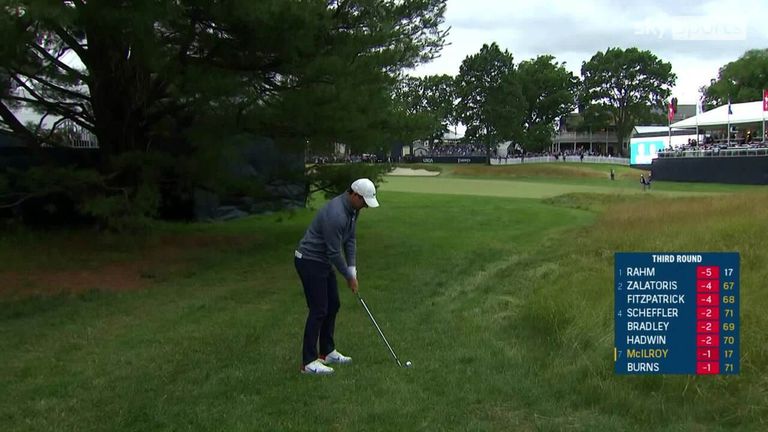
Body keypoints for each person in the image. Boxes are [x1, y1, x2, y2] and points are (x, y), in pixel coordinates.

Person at [294, 178, 380, 375]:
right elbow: (334, 253)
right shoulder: (336, 214)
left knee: (333, 305)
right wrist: (349, 277)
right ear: (354, 195)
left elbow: (350, 239)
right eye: (364, 202)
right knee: (318, 309)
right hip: (309, 260)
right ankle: (308, 362)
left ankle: (327, 351)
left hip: (322, 261)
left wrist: (353, 269)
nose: (365, 207)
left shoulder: (352, 210)